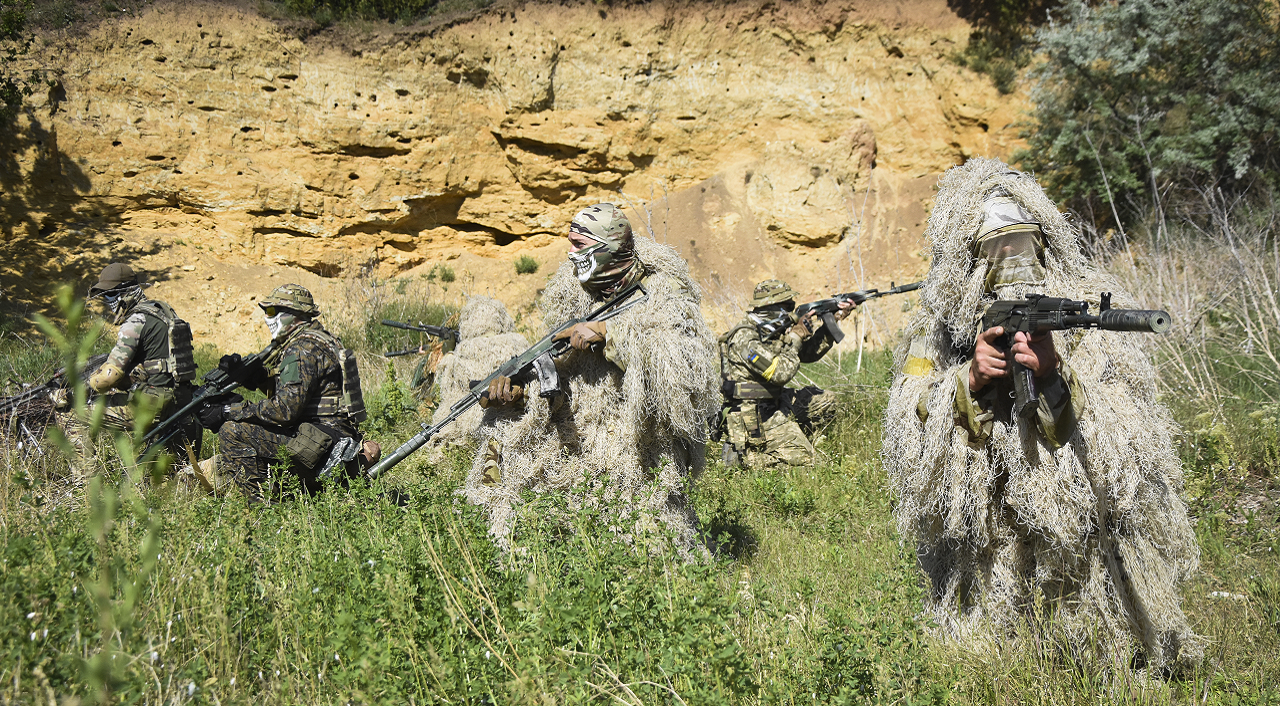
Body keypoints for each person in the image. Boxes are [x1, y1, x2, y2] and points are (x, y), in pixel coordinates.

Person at [881, 158, 1200, 671]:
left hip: (1081, 538)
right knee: (984, 657)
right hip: (988, 542)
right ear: (964, 261)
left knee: (1111, 650)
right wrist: (967, 381)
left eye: (1024, 244)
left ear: (1047, 241)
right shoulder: (936, 328)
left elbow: (1127, 443)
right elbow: (907, 421)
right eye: (993, 250)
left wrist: (1054, 375)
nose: (1012, 260)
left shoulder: (1082, 312)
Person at [467, 203, 719, 548]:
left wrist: (609, 335)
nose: (571, 255)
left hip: (639, 446)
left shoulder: (663, 293)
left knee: (646, 538)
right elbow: (566, 385)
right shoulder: (576, 297)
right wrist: (522, 397)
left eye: (579, 245)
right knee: (501, 435)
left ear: (608, 248)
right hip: (582, 433)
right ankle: (500, 537)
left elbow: (680, 374)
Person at [192, 284, 373, 498]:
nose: (268, 318)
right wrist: (258, 377)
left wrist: (227, 411)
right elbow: (302, 392)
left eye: (272, 312)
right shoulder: (320, 339)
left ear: (294, 314)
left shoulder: (301, 349)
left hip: (324, 443)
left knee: (232, 431)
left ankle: (263, 508)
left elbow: (285, 411)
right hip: (335, 435)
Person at [57, 262, 199, 471]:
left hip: (152, 407)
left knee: (70, 414)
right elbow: (158, 366)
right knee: (177, 474)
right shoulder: (164, 313)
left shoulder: (136, 321)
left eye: (109, 295)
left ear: (125, 292)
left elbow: (108, 377)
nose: (107, 302)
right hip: (181, 402)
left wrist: (72, 393)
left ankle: (85, 485)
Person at [717, 279, 853, 468]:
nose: (791, 310)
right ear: (769, 307)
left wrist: (833, 322)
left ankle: (790, 437)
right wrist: (796, 336)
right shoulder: (745, 339)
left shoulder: (769, 330)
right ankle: (746, 459)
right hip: (754, 414)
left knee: (827, 401)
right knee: (809, 464)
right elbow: (781, 373)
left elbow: (807, 354)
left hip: (775, 401)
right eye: (787, 306)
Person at [426, 295, 529, 453]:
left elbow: (448, 396)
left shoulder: (461, 352)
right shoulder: (519, 343)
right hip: (518, 424)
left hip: (471, 426)